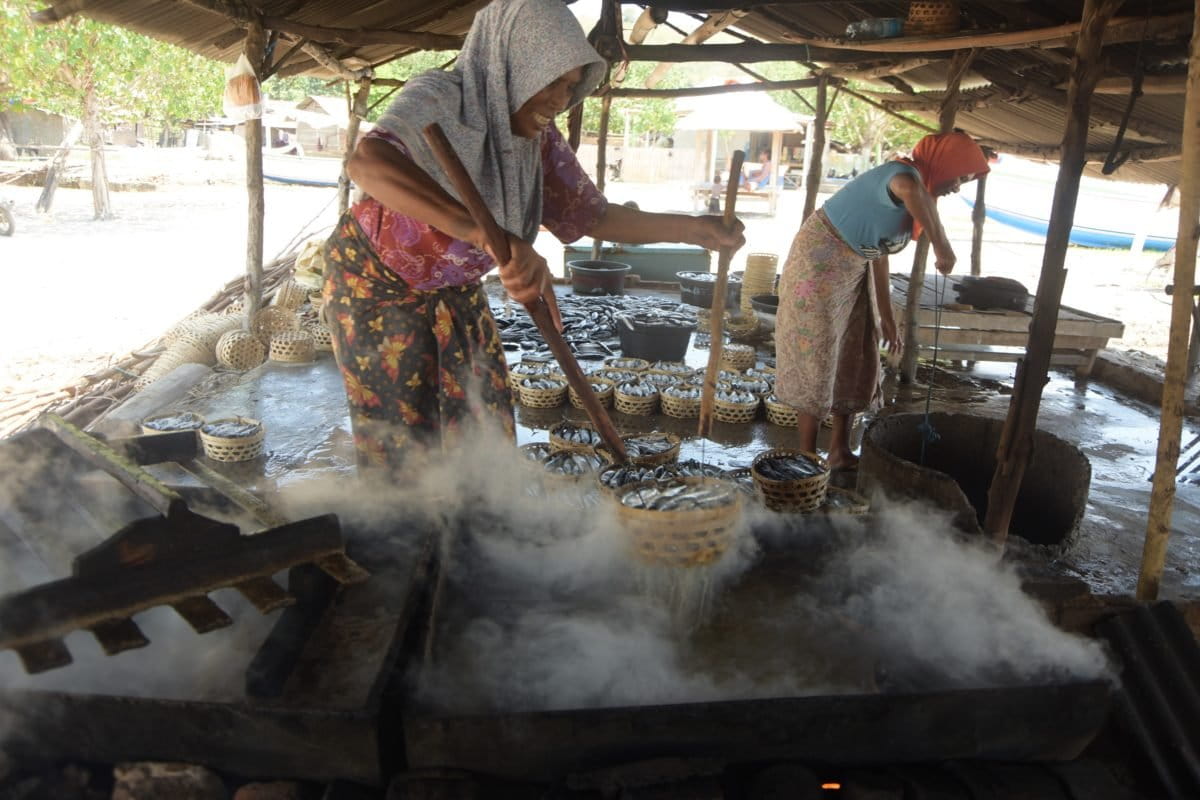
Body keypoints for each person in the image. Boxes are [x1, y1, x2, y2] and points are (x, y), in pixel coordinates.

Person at [323, 0, 745, 471]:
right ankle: (402, 537)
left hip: (454, 290)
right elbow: (368, 162)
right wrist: (482, 232)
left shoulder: (535, 140)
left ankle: (477, 524)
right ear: (514, 66)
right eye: (551, 82)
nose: (560, 100)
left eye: (570, 87)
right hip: (376, 287)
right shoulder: (441, 95)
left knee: (483, 415)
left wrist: (693, 229)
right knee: (404, 431)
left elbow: (592, 214)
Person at [774, 131, 989, 470]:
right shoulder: (901, 176)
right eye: (959, 176)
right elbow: (909, 188)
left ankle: (839, 451)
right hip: (821, 258)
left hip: (858, 263)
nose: (958, 186)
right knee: (816, 348)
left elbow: (879, 252)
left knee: (857, 349)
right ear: (943, 165)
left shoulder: (914, 200)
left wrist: (886, 316)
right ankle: (806, 455)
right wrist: (942, 245)